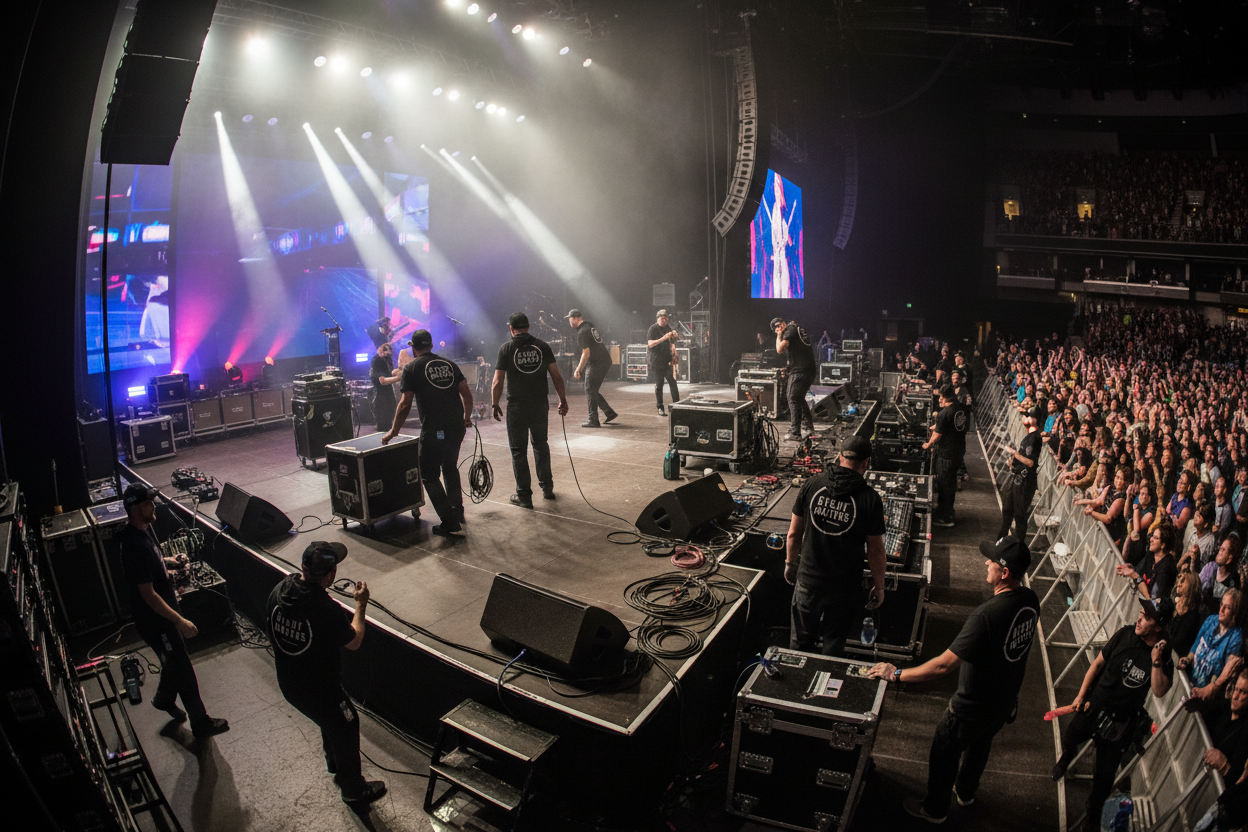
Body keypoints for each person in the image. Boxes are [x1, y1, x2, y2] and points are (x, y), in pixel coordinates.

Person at [867, 537, 1040, 823]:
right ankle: (966, 792)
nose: (986, 563)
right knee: (980, 747)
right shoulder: (1030, 600)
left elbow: (943, 666)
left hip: (970, 707)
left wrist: (896, 674)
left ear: (1005, 572)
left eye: (992, 561)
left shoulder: (986, 615)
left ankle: (935, 810)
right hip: (1003, 702)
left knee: (944, 752)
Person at [266, 541, 386, 805]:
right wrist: (360, 605)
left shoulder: (280, 589)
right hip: (319, 689)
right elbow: (354, 641)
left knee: (328, 720)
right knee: (347, 721)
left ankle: (334, 761)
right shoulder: (325, 608)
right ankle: (354, 790)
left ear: (303, 567)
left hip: (288, 682)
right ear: (331, 575)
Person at [118, 484, 229, 739]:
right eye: (148, 504)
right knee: (182, 668)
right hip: (157, 622)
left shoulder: (142, 531)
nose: (153, 506)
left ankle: (163, 699)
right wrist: (180, 621)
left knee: (173, 662)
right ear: (135, 509)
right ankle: (200, 722)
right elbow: (148, 595)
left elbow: (152, 563)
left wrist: (169, 561)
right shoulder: (133, 545)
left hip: (162, 617)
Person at [1051, 598, 1174, 826]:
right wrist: (1081, 695)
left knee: (1104, 781)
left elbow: (1159, 691)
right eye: (1140, 613)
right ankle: (1066, 760)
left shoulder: (1163, 654)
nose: (1139, 619)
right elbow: (1097, 664)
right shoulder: (1126, 634)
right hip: (1094, 707)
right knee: (1070, 738)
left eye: (1147, 617)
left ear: (1158, 627)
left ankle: (1092, 815)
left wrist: (1156, 662)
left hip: (1120, 725)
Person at [783, 435, 886, 657]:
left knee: (800, 643)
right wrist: (879, 587)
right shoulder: (870, 499)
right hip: (845, 587)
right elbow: (875, 550)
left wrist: (790, 563)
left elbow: (793, 534)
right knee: (833, 643)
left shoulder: (812, 484)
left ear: (839, 457)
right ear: (866, 462)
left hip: (809, 580)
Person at [382, 329, 472, 535]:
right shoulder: (450, 364)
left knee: (430, 475)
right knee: (450, 467)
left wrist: (393, 431)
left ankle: (449, 521)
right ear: (431, 345)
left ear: (413, 348)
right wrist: (466, 418)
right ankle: (457, 511)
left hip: (435, 430)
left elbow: (405, 403)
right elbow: (466, 393)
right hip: (456, 427)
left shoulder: (412, 368)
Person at [491, 312, 569, 508]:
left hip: (517, 406)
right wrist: (562, 400)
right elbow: (556, 376)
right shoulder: (542, 346)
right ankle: (547, 488)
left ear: (511, 329)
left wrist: (494, 403)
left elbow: (497, 381)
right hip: (539, 404)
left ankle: (524, 496)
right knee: (541, 444)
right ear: (528, 327)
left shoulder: (506, 348)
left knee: (518, 451)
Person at [1180, 589, 1244, 700]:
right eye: (1221, 604)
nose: (1222, 609)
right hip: (1187, 680)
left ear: (1235, 613)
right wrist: (1187, 659)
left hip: (1205, 694)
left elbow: (1224, 671)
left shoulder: (1236, 637)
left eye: (1227, 607)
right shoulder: (1211, 620)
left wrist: (1210, 688)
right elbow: (1195, 646)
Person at [924, 385, 968, 528]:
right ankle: (945, 510)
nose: (939, 400)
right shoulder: (961, 409)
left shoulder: (944, 413)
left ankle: (946, 517)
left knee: (944, 485)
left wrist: (928, 444)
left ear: (944, 397)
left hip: (946, 454)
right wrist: (937, 426)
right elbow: (952, 426)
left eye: (940, 397)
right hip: (958, 451)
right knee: (951, 482)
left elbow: (938, 435)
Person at [566, 309, 618, 428]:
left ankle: (593, 420)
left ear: (575, 319)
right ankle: (609, 412)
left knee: (589, 389)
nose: (569, 322)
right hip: (604, 360)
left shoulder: (582, 332)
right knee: (592, 389)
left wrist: (578, 369)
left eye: (570, 320)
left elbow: (586, 353)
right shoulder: (589, 326)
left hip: (598, 363)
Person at [771, 316, 818, 441]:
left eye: (779, 325)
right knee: (799, 398)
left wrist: (778, 335)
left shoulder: (790, 330)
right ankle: (808, 428)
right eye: (775, 328)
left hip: (800, 371)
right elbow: (797, 353)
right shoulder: (796, 330)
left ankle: (795, 432)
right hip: (808, 370)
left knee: (792, 398)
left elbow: (779, 349)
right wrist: (787, 368)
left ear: (784, 323)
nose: (778, 328)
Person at [998, 411, 1043, 540]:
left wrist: (1014, 453)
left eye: (1028, 416)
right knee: (1007, 510)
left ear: (1035, 420)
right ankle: (1001, 541)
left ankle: (1018, 546)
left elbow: (1030, 462)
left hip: (1025, 482)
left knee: (1019, 515)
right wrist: (1013, 464)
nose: (1024, 417)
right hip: (1017, 479)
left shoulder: (1035, 437)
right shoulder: (1029, 436)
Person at [647, 309, 680, 415]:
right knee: (659, 384)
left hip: (667, 361)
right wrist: (664, 338)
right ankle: (660, 407)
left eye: (666, 318)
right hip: (656, 361)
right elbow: (650, 344)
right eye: (662, 318)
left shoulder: (668, 328)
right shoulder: (653, 329)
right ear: (658, 318)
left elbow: (671, 342)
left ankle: (677, 405)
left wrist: (675, 337)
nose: (665, 320)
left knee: (673, 383)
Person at [368, 342, 401, 432]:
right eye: (387, 350)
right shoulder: (377, 360)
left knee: (390, 405)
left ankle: (388, 424)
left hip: (387, 386)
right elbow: (376, 375)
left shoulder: (386, 358)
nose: (389, 353)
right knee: (382, 406)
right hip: (380, 386)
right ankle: (382, 426)